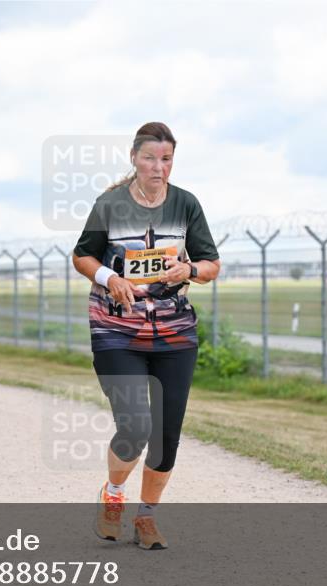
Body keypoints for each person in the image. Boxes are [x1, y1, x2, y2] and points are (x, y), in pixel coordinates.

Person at [72, 122, 221, 550]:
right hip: (117, 328)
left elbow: (211, 264)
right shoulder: (110, 204)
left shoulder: (186, 205)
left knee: (166, 433)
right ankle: (114, 494)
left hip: (174, 332)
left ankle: (147, 517)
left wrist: (189, 270)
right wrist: (108, 277)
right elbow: (82, 255)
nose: (159, 167)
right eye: (151, 158)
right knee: (136, 426)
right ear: (134, 158)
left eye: (167, 159)